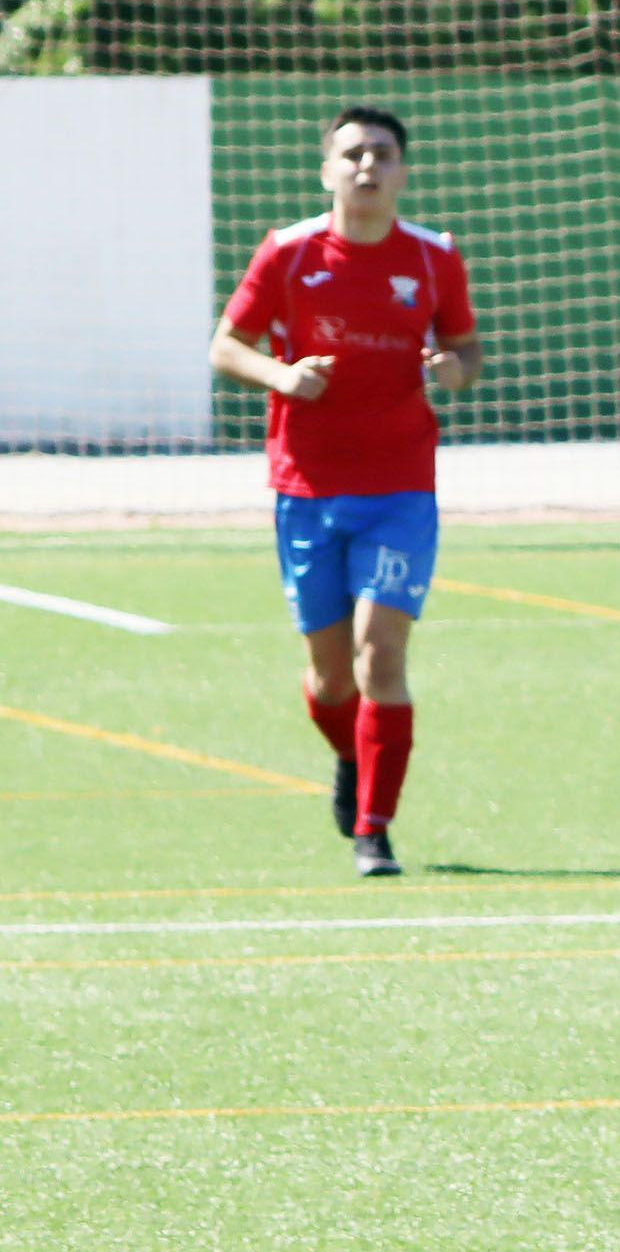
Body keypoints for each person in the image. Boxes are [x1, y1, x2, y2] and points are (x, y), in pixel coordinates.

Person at [212, 106, 483, 877]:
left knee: (380, 655)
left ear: (403, 171)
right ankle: (353, 760)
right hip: (306, 486)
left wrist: (453, 371)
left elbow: (466, 349)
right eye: (354, 154)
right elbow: (226, 344)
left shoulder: (434, 259)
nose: (368, 167)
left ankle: (375, 830)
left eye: (383, 155)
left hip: (400, 488)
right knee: (330, 679)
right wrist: (281, 377)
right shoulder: (289, 253)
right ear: (327, 169)